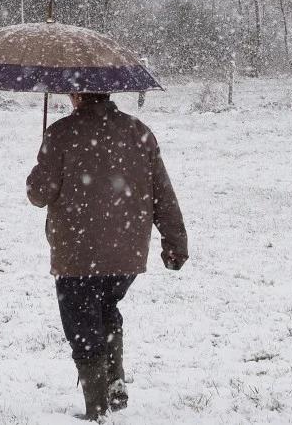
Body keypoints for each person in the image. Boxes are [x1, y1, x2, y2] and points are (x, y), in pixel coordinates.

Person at [26, 92, 188, 421]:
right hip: (126, 253)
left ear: (75, 94)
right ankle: (114, 384)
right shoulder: (138, 131)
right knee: (106, 308)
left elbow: (38, 195)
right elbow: (163, 192)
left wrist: (38, 171)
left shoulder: (60, 134)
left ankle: (97, 408)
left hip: (77, 254)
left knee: (83, 325)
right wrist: (175, 241)